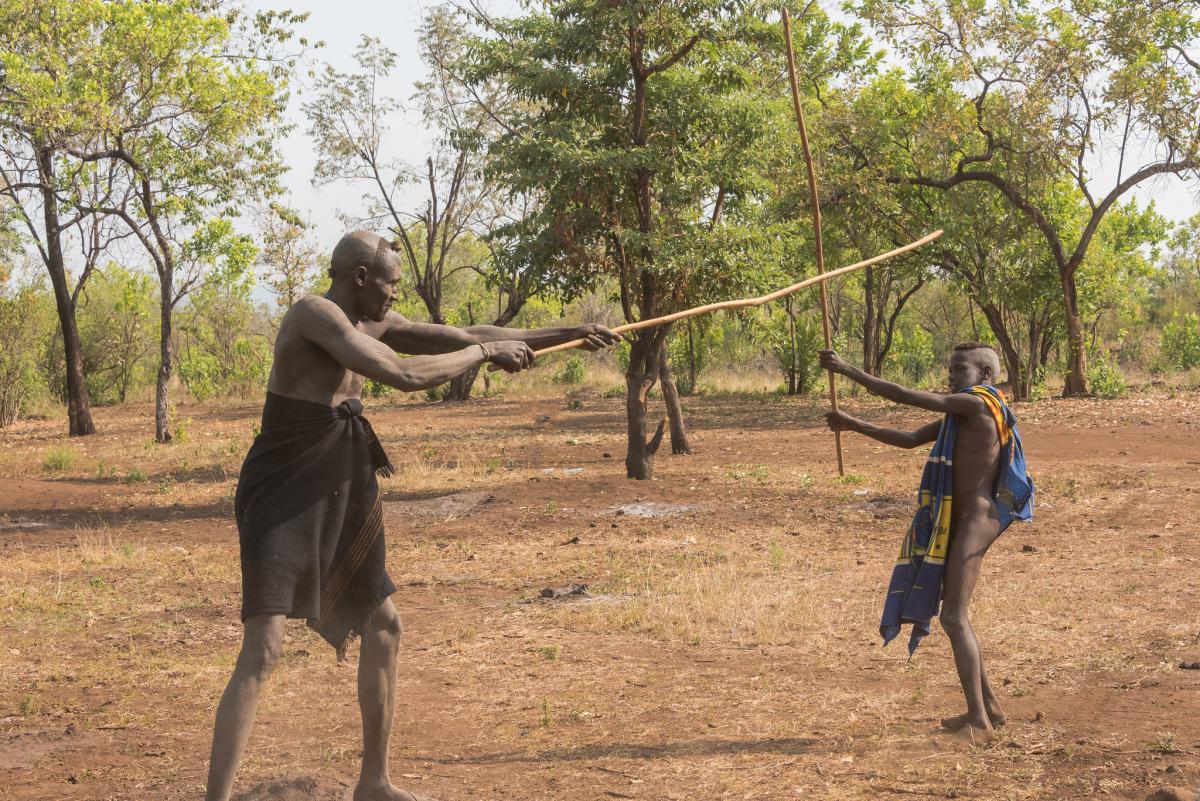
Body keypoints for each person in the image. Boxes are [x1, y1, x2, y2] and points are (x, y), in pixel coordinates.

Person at [205, 230, 620, 801]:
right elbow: (402, 372)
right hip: (283, 486)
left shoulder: (375, 318)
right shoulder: (315, 315)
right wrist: (481, 356)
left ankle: (373, 782)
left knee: (385, 625)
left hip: (340, 480)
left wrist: (570, 333)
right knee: (265, 645)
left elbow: (476, 334)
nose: (394, 296)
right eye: (389, 283)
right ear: (358, 278)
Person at [818, 343, 1033, 745]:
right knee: (956, 616)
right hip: (963, 518)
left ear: (985, 373)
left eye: (959, 369)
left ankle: (980, 725)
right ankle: (992, 710)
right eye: (949, 369)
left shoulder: (979, 405)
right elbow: (911, 438)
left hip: (975, 519)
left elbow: (906, 396)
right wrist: (854, 424)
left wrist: (847, 369)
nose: (951, 375)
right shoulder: (963, 413)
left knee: (953, 618)